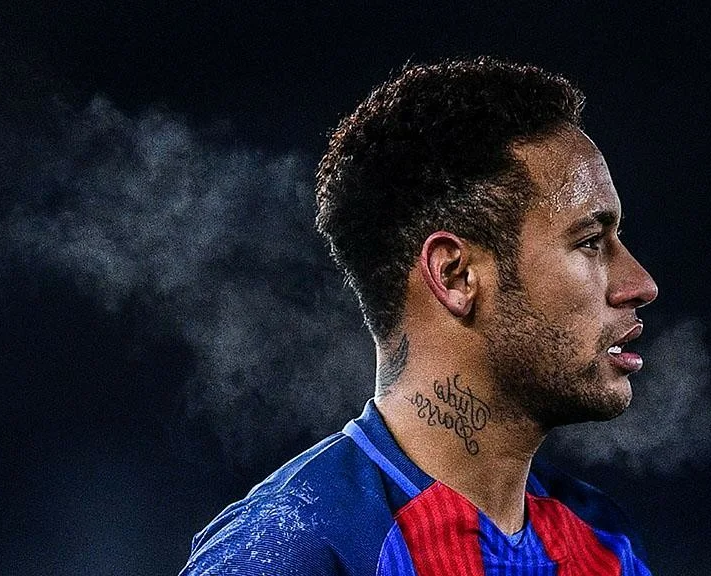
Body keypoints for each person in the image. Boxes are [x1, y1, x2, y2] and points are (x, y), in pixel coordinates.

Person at [179, 56, 658, 575]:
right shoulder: (286, 550)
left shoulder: (605, 541)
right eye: (590, 241)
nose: (641, 284)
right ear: (455, 276)